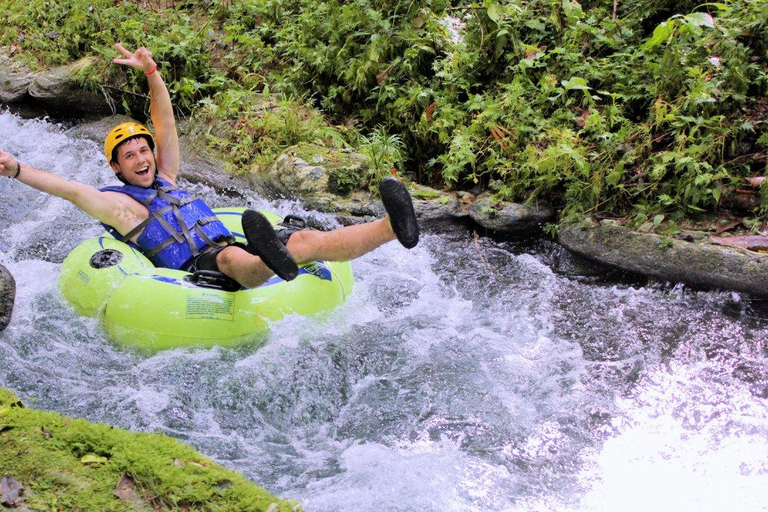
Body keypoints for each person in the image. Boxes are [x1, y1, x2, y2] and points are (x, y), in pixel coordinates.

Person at [0, 43, 419, 288]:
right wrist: (16, 167)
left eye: (143, 150)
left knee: (305, 237)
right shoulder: (120, 207)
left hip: (228, 243)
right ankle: (270, 260)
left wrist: (151, 72)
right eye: (130, 156)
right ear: (117, 169)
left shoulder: (166, 177)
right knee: (232, 260)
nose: (142, 158)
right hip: (200, 269)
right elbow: (68, 188)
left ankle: (392, 227)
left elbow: (165, 125)